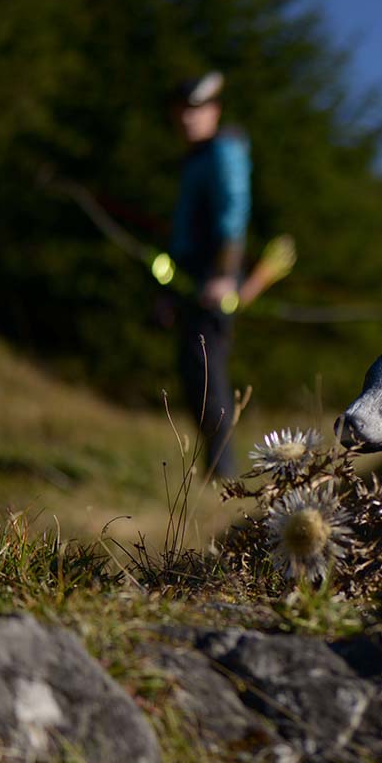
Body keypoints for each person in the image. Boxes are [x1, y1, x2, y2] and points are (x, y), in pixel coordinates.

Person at [166, 71, 250, 480]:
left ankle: (224, 472)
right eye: (182, 110)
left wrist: (224, 274)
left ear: (214, 111)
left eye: (195, 109)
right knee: (191, 372)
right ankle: (213, 465)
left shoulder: (224, 150)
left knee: (207, 371)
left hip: (213, 277)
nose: (186, 118)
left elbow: (233, 211)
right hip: (187, 277)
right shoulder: (193, 159)